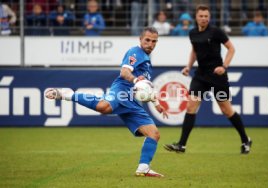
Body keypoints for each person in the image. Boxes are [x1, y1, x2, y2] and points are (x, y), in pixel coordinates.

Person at [45, 27, 168, 177]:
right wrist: (135, 79)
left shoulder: (147, 61)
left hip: (132, 101)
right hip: (122, 89)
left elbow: (146, 87)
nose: (150, 43)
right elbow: (124, 72)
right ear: (140, 39)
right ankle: (68, 94)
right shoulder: (136, 52)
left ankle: (143, 168)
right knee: (103, 107)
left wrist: (156, 104)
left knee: (153, 134)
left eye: (154, 41)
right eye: (147, 40)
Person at [164, 4, 252, 154]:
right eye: (201, 16)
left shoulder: (216, 32)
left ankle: (245, 140)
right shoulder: (192, 33)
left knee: (227, 110)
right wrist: (188, 66)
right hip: (201, 76)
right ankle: (181, 145)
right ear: (196, 17)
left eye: (206, 16)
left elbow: (231, 48)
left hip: (218, 77)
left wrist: (224, 67)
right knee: (191, 106)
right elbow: (194, 51)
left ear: (209, 17)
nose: (204, 18)